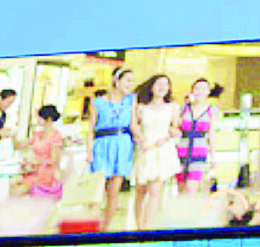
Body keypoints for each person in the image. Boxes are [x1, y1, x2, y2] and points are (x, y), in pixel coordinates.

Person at [130, 74, 181, 229]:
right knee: (140, 191)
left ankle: (147, 227)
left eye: (166, 84)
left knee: (155, 191)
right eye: (159, 84)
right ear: (151, 87)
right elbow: (134, 126)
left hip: (163, 150)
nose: (162, 87)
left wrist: (166, 138)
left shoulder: (172, 107)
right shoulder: (141, 107)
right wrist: (141, 139)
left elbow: (175, 129)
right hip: (145, 149)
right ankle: (139, 226)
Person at [91, 70, 136, 229]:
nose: (130, 84)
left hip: (122, 144)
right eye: (127, 80)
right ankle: (92, 226)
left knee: (114, 190)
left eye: (132, 81)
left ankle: (105, 228)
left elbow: (133, 124)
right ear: (117, 81)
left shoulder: (131, 100)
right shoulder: (97, 102)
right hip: (102, 144)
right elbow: (90, 129)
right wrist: (89, 150)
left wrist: (143, 140)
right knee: (96, 190)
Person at [176, 79, 218, 195]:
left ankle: (191, 206)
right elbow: (176, 126)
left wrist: (213, 156)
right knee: (181, 187)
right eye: (197, 88)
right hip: (182, 149)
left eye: (204, 89)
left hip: (199, 150)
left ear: (208, 92)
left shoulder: (211, 111)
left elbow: (211, 134)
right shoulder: (184, 108)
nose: (200, 92)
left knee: (192, 186)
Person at [18, 105, 65, 197]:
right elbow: (23, 145)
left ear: (48, 119)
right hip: (33, 171)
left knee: (19, 190)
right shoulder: (38, 134)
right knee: (13, 185)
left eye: (40, 117)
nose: (38, 119)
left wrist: (37, 162)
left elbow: (54, 160)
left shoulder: (55, 137)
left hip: (46, 173)